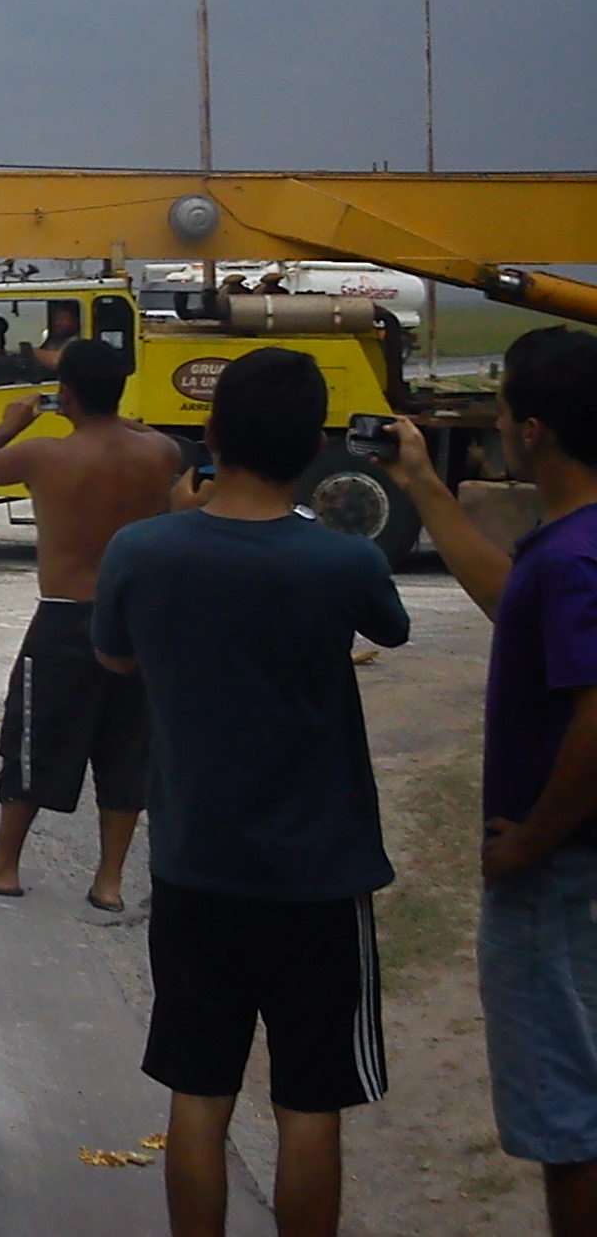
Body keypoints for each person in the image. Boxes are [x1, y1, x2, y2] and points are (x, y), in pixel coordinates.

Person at [94, 348, 409, 1237]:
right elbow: (392, 626)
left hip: (197, 867)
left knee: (200, 1094)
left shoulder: (144, 549)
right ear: (313, 445)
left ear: (214, 435)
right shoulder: (340, 562)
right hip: (321, 873)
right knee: (311, 1103)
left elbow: (117, 656)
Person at [381, 327, 597, 1235]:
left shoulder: (579, 559)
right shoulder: (569, 549)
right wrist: (426, 487)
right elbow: (516, 606)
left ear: (534, 431)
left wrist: (533, 838)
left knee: (570, 1119)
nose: (501, 426)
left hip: (563, 874)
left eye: (505, 412)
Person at [0, 338, 181, 913]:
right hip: (139, 622)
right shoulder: (159, 453)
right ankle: (109, 882)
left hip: (68, 621)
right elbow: (150, 438)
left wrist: (11, 423)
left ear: (64, 394)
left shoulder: (45, 455)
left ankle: (2, 865)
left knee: (34, 741)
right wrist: (121, 418)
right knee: (127, 747)